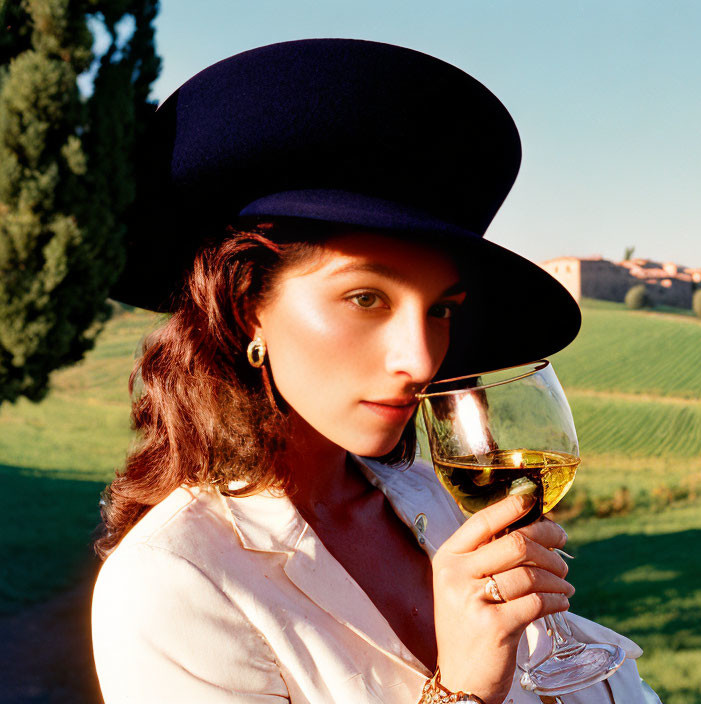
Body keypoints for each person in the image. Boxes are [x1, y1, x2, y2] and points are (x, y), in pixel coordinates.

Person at [91, 39, 661, 704]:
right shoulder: (175, 586)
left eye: (443, 309)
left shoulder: (440, 501)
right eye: (367, 298)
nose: (421, 361)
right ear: (248, 308)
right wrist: (462, 690)